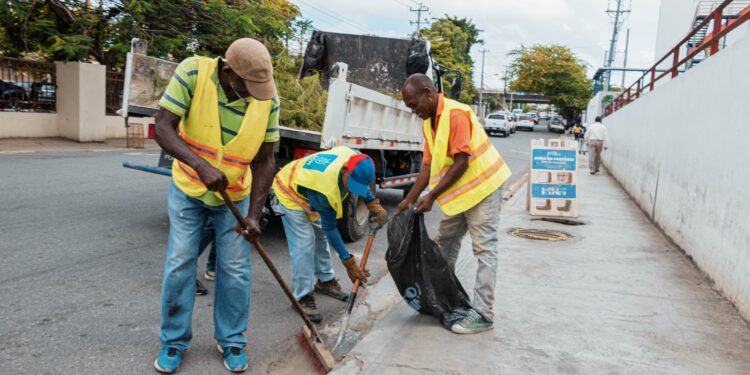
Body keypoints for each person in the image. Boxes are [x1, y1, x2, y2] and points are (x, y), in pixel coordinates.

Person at [152, 37, 280, 374]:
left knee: (235, 269)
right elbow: (163, 127)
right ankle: (173, 341)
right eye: (247, 86)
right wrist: (201, 165)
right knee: (180, 262)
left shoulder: (268, 100)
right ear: (228, 71)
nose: (255, 93)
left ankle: (232, 339)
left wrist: (254, 215)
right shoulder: (192, 73)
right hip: (188, 190)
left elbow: (266, 161)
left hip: (235, 195)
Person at [396, 73, 512, 334]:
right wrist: (409, 199)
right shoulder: (429, 123)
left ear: (428, 92)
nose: (414, 111)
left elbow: (461, 162)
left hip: (484, 189)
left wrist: (432, 197)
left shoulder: (456, 113)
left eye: (414, 105)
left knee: (484, 249)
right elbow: (427, 165)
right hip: (461, 194)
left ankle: (483, 313)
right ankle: (442, 297)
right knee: (443, 243)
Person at [272, 146, 387, 323]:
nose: (353, 190)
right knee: (305, 242)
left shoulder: (356, 158)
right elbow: (330, 228)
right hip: (289, 190)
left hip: (309, 185)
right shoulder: (325, 190)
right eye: (352, 183)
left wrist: (373, 204)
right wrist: (348, 262)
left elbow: (361, 182)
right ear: (344, 170)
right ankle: (302, 296)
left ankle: (325, 281)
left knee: (320, 236)